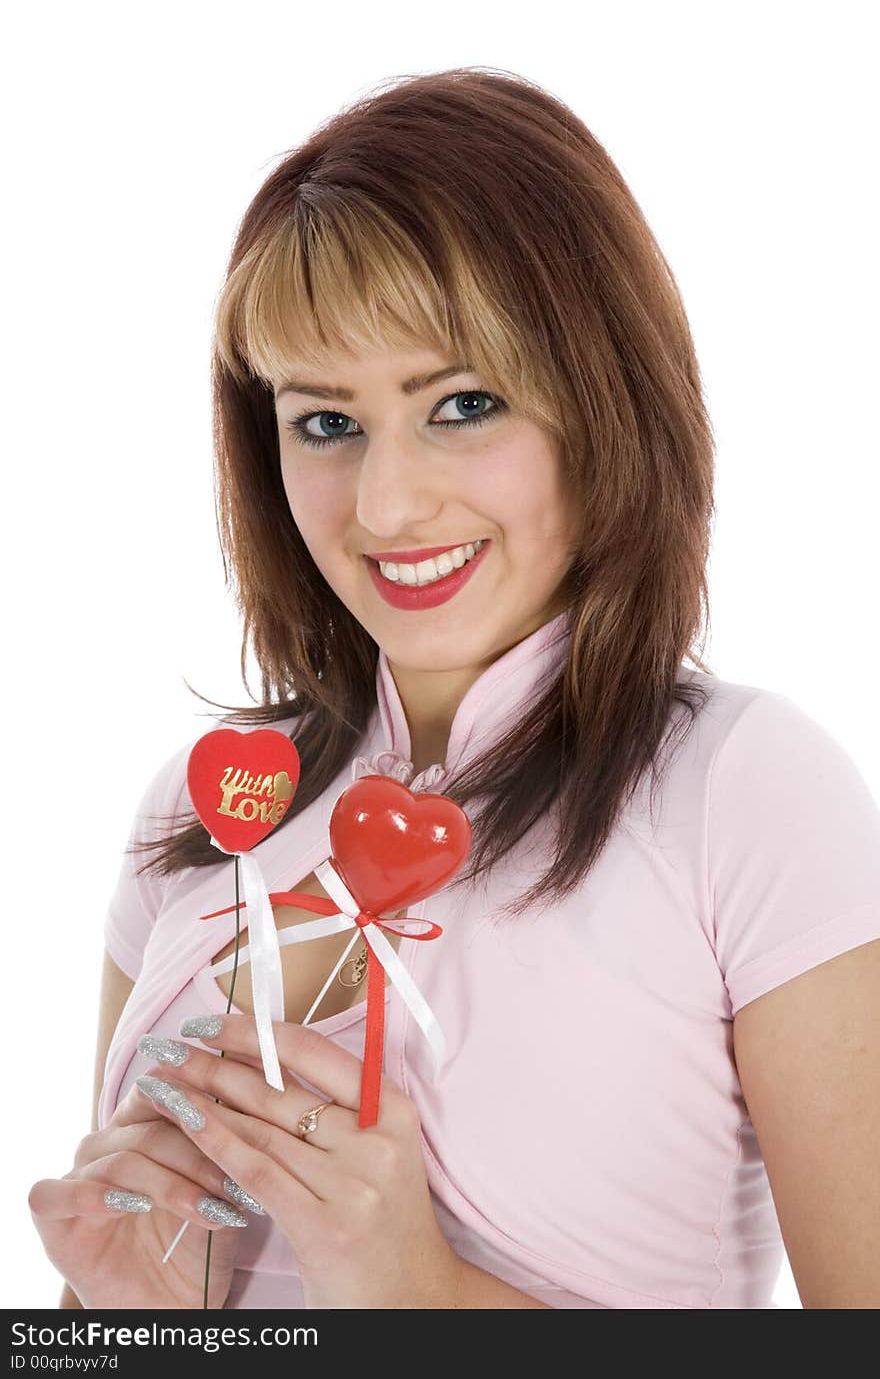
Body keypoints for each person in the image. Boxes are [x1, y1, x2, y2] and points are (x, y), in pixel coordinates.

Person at [29, 66, 880, 1311]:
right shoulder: (209, 811)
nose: (385, 506)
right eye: (326, 422)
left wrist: (423, 1296)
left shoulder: (745, 792)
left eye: (462, 404)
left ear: (604, 404)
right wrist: (127, 1316)